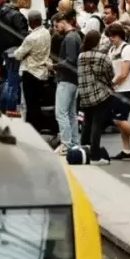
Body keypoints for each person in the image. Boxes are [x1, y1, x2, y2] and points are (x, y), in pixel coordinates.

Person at [77, 29, 114, 165]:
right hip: (100, 95)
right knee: (97, 125)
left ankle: (84, 150)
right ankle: (95, 155)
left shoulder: (81, 56)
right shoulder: (102, 57)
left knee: (87, 123)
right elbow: (110, 74)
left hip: (85, 95)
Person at [11, 11, 51, 131]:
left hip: (30, 72)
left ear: (30, 22)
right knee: (37, 102)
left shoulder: (31, 38)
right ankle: (38, 126)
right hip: (42, 71)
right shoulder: (46, 33)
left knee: (29, 103)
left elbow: (18, 55)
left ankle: (32, 127)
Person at [54, 9, 82, 156]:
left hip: (66, 79)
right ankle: (74, 142)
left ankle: (66, 143)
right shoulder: (75, 36)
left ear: (63, 22)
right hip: (73, 80)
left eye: (56, 25)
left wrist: (54, 66)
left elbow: (70, 60)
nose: (56, 28)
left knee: (61, 113)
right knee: (71, 113)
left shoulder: (70, 38)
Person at [107, 23, 130, 160]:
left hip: (125, 89)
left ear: (119, 36)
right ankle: (126, 151)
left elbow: (124, 73)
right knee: (120, 120)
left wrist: (112, 83)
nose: (110, 39)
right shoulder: (113, 49)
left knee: (119, 120)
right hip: (116, 89)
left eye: (112, 36)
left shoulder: (127, 49)